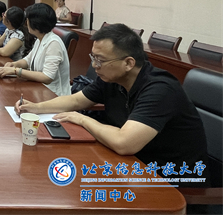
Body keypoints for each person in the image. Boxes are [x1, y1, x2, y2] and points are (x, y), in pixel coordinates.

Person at [15, 23, 209, 187]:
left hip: (169, 180)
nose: (94, 66)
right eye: (93, 58)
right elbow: (76, 100)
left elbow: (124, 143)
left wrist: (82, 119)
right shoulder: (112, 78)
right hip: (130, 166)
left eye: (100, 60)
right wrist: (35, 107)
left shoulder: (160, 89)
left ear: (128, 63)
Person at [0, 3, 70, 96]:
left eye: (28, 19)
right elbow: (28, 60)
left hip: (54, 95)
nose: (26, 22)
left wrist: (16, 71)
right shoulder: (40, 39)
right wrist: (14, 64)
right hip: (38, 89)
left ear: (35, 23)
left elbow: (47, 77)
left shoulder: (54, 43)